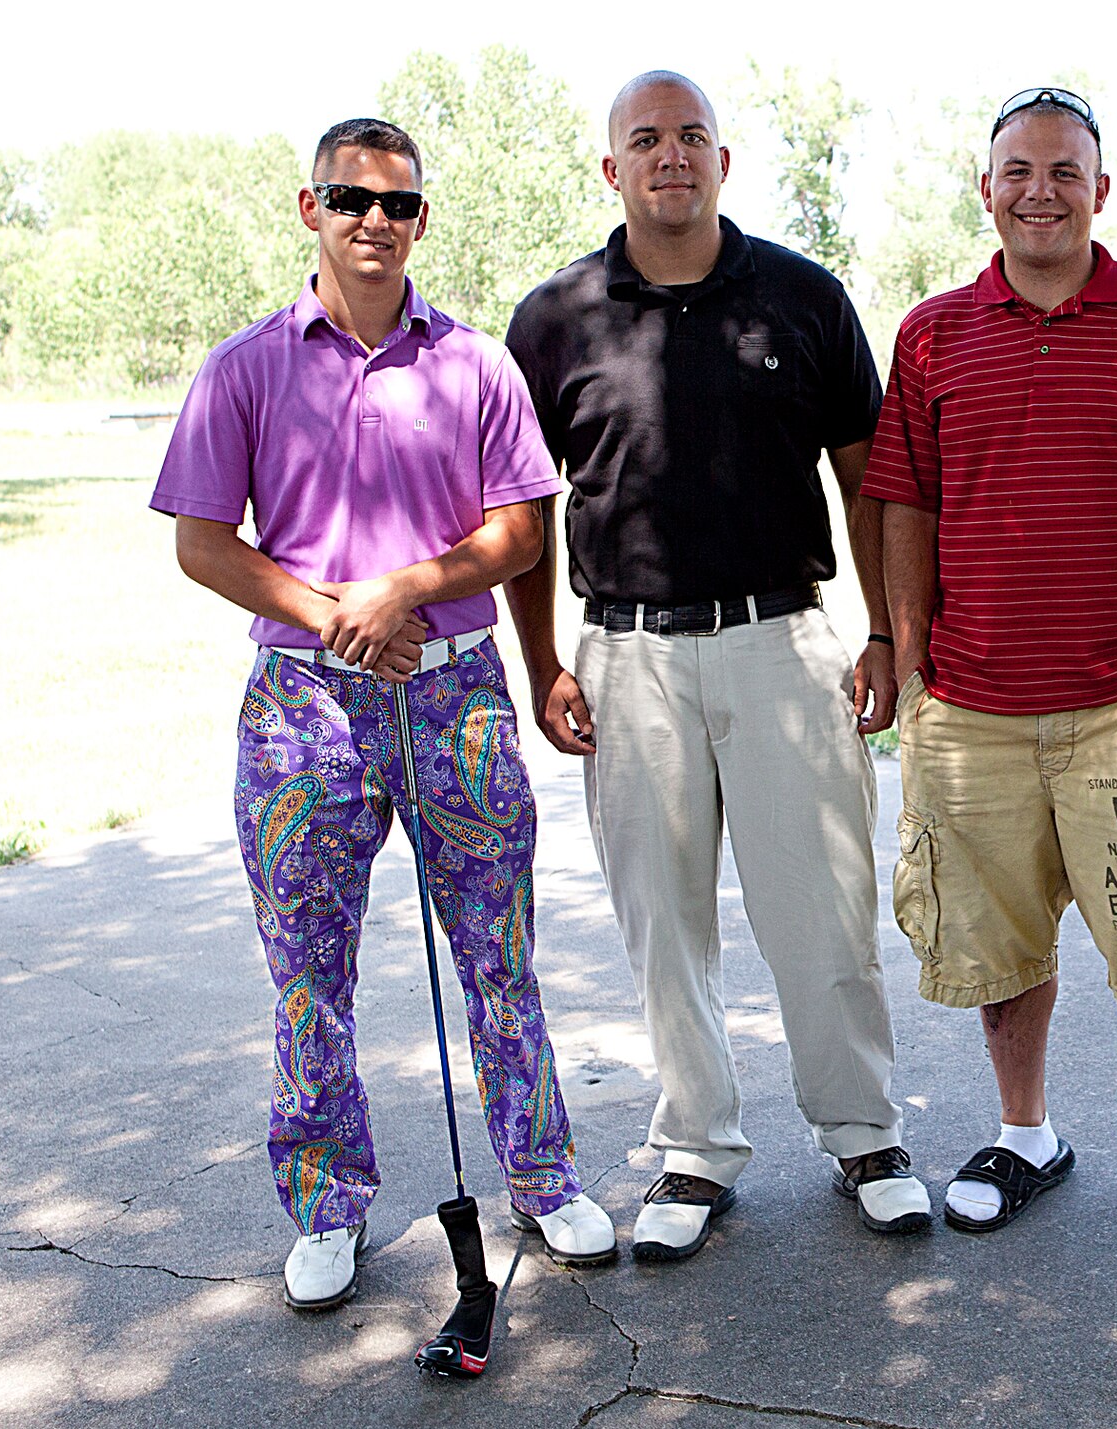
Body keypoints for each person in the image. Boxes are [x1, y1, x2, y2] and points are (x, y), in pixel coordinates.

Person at [151, 118, 616, 1311]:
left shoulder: (472, 366)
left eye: (397, 204)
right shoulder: (245, 366)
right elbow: (204, 542)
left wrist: (408, 585)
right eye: (349, 198)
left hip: (454, 695)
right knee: (308, 973)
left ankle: (544, 1173)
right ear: (309, 207)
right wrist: (330, 611)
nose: (374, 220)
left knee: (499, 956)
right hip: (302, 705)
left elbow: (520, 529)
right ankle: (323, 1202)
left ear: (420, 220)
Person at [502, 71, 927, 1261]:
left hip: (782, 642)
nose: (670, 156)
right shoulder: (553, 320)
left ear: (722, 162)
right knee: (662, 922)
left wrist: (885, 631)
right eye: (646, 139)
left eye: (691, 136)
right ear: (612, 170)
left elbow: (872, 479)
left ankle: (864, 1135)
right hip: (625, 654)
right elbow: (523, 513)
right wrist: (544, 660)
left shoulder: (798, 296)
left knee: (824, 913)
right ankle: (693, 1148)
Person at [865, 87, 1117, 1249]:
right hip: (973, 707)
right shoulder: (932, 334)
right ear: (984, 187)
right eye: (1017, 171)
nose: (1039, 191)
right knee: (995, 940)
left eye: (1063, 170)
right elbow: (905, 502)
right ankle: (1023, 1131)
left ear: (1101, 188)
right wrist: (915, 659)